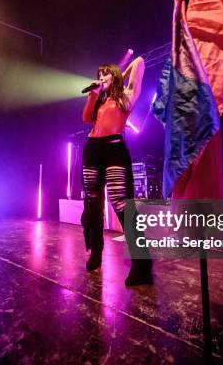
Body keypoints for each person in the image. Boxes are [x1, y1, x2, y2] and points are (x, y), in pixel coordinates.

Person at [81, 56, 153, 286]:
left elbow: (140, 61)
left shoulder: (126, 96)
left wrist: (119, 73)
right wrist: (93, 95)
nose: (100, 77)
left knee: (120, 203)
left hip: (114, 150)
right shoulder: (100, 101)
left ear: (115, 75)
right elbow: (85, 119)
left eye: (105, 73)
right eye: (98, 74)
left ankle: (142, 263)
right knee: (92, 203)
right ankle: (96, 252)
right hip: (92, 150)